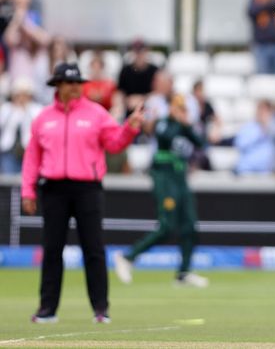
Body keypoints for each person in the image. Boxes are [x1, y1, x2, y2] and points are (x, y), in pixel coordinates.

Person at [21, 62, 144, 324]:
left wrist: (130, 127)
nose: (76, 88)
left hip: (87, 188)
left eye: (79, 83)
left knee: (94, 249)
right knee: (52, 249)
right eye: (70, 83)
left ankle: (101, 309)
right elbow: (32, 157)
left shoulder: (97, 114)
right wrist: (27, 191)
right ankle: (47, 309)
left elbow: (114, 143)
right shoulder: (44, 118)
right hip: (53, 188)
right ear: (58, 86)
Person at [113, 94, 209, 288]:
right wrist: (180, 123)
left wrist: (187, 125)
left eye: (184, 109)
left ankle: (184, 272)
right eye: (179, 109)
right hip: (165, 178)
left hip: (180, 178)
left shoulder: (186, 127)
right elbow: (165, 136)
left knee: (189, 225)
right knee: (167, 225)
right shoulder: (164, 123)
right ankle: (128, 257)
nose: (182, 113)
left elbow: (200, 143)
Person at [0, 76, 42, 174]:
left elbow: (36, 126)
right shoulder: (7, 109)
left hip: (28, 151)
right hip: (9, 151)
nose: (21, 98)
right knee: (8, 179)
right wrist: (16, 110)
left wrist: (25, 109)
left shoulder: (36, 109)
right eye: (18, 95)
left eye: (24, 95)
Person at [118, 39, 159, 118]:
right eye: (137, 51)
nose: (139, 54)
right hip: (129, 108)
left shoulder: (154, 70)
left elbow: (159, 92)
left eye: (141, 51)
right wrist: (124, 102)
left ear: (147, 51)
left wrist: (141, 99)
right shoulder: (126, 70)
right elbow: (120, 91)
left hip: (149, 108)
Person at [234, 99, 275, 175]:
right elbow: (240, 145)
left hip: (266, 173)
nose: (262, 114)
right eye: (261, 110)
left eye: (265, 111)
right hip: (246, 171)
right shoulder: (248, 127)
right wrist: (261, 132)